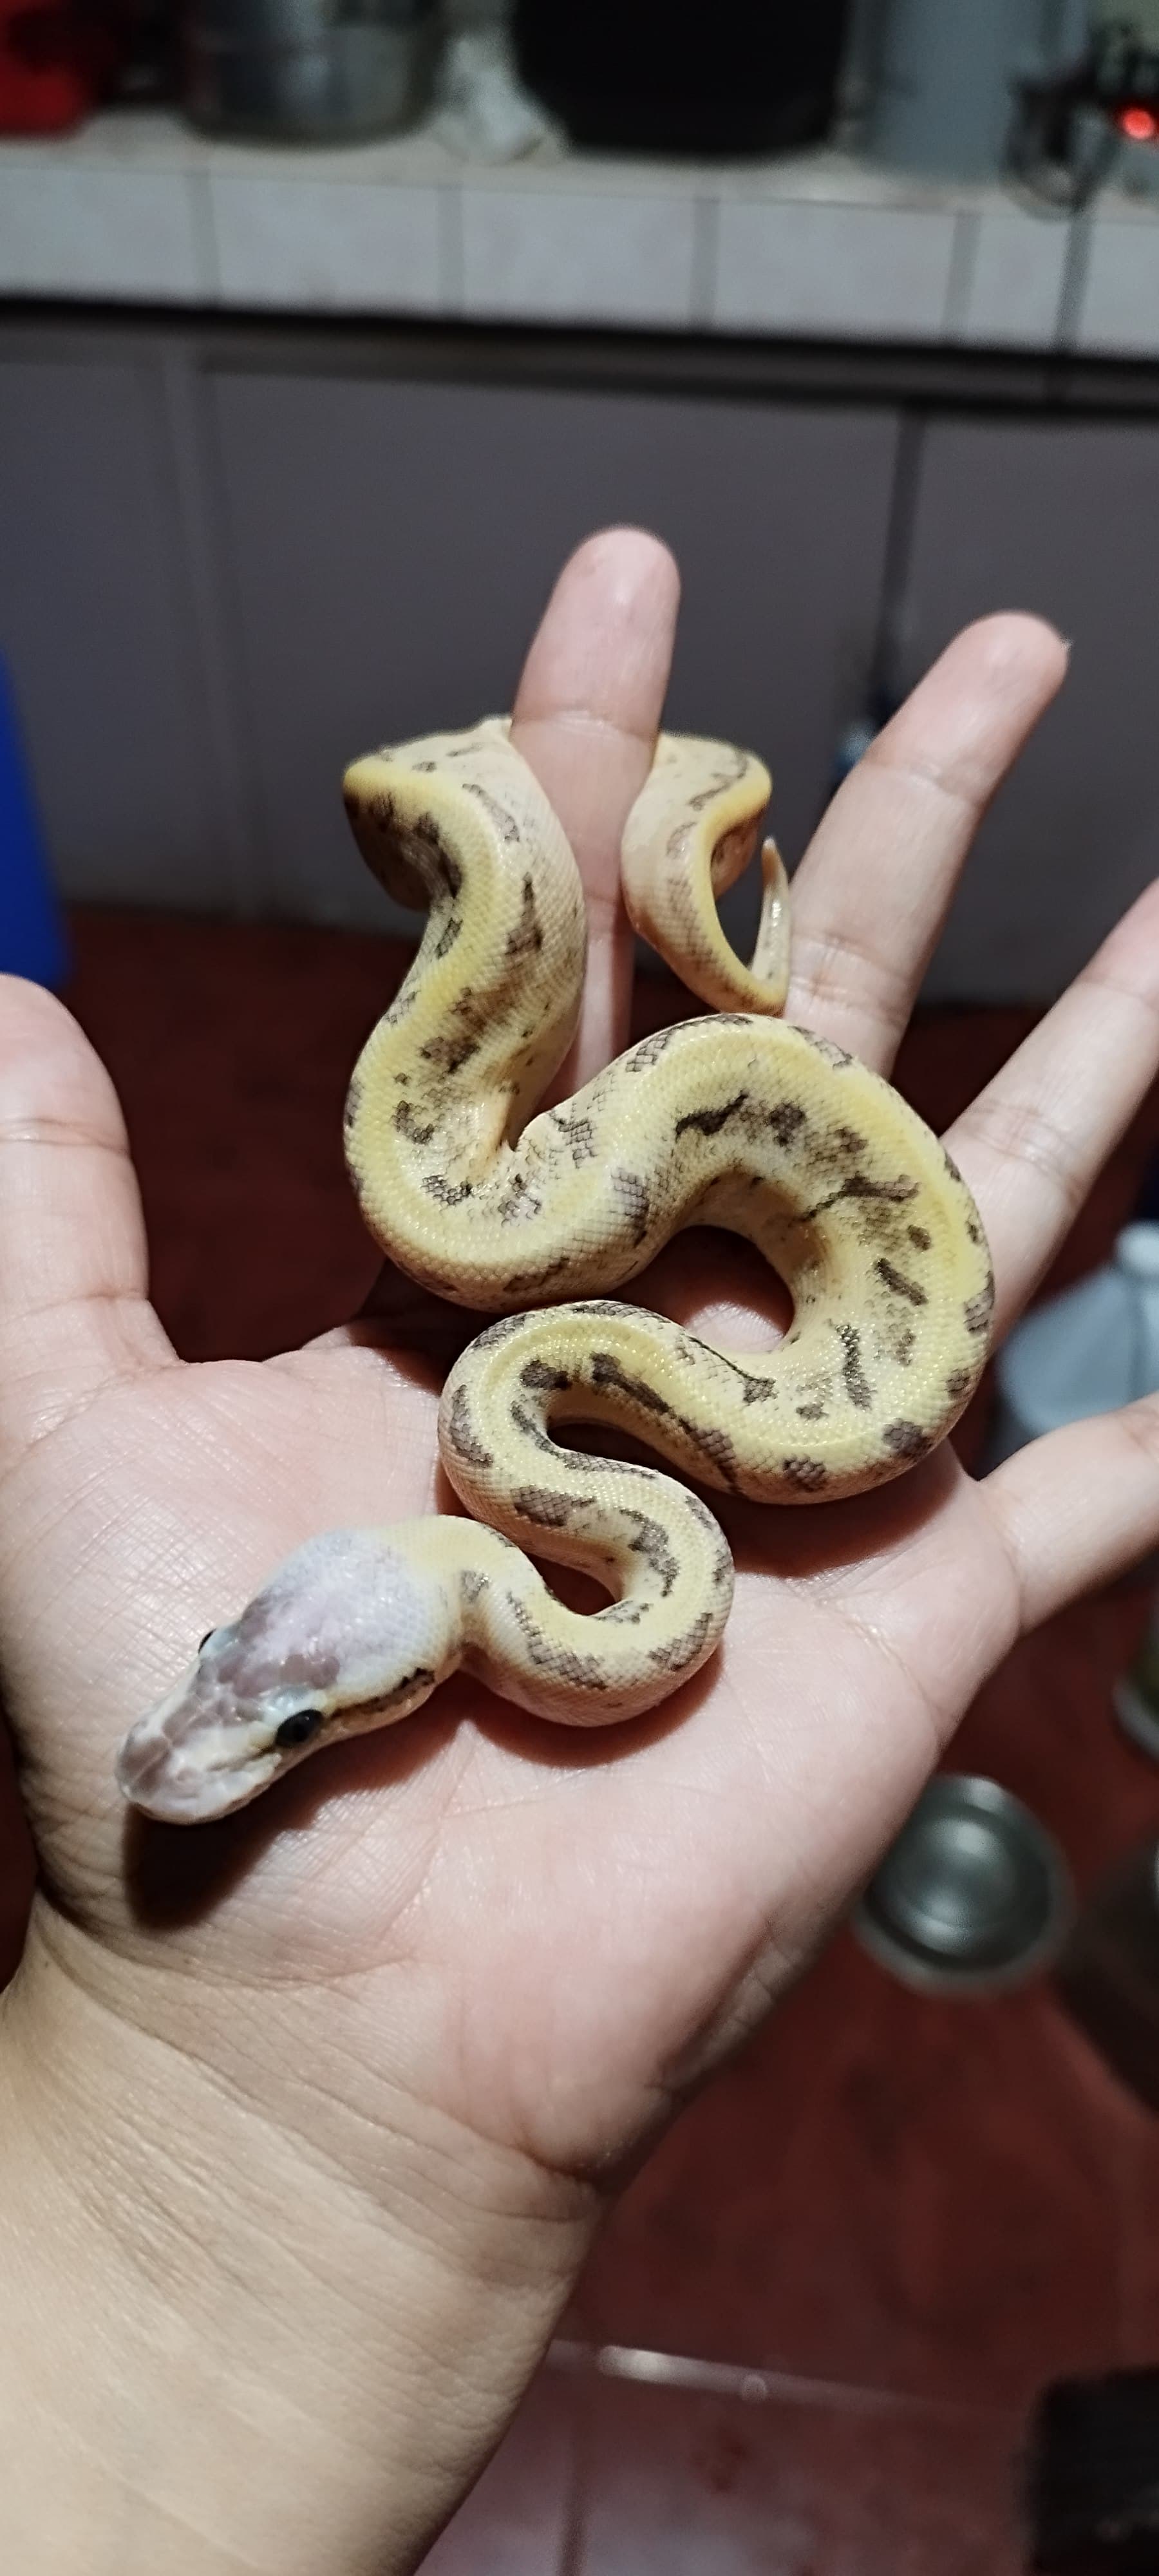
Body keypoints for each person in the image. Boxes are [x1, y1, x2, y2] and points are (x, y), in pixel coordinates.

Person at [0, 527, 1156, 2571]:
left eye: (280, 1713)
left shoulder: (537, 1447)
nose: (209, 1745)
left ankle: (534, 838)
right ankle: (556, 839)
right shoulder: (553, 1495)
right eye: (277, 1710)